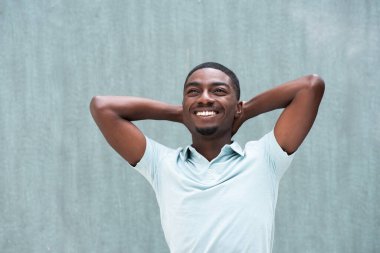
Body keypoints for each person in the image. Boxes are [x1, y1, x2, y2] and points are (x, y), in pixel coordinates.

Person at [90, 62, 325, 253]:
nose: (204, 98)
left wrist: (244, 112)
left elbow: (310, 87)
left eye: (219, 91)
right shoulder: (161, 165)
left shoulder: (266, 158)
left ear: (237, 106)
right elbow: (103, 107)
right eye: (193, 92)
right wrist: (183, 114)